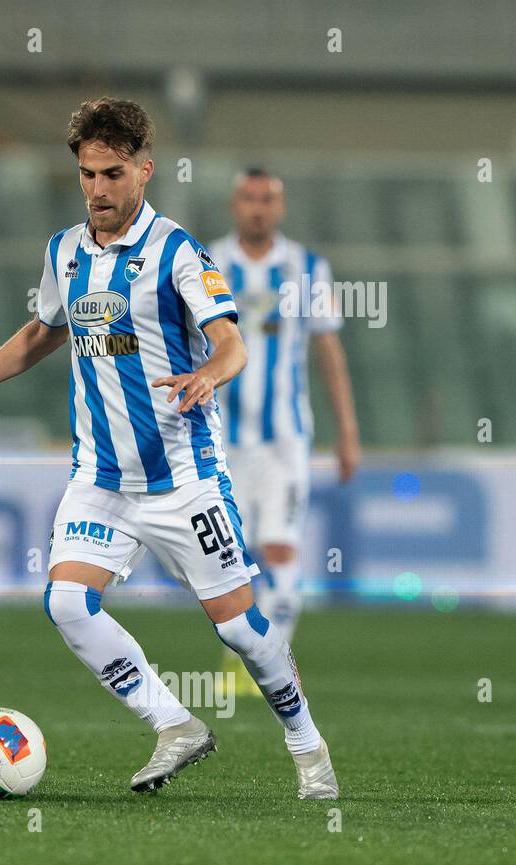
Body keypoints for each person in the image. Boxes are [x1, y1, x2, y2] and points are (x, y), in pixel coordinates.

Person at [0, 98, 338, 799]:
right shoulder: (64, 251)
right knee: (68, 601)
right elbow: (40, 333)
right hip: (101, 477)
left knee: (245, 636)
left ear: (144, 170)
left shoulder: (177, 251)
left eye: (112, 174)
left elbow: (232, 343)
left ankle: (305, 740)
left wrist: (207, 374)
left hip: (183, 479)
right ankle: (174, 724)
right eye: (86, 175)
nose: (98, 190)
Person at [208, 170, 360, 687]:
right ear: (235, 204)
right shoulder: (206, 262)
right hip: (217, 438)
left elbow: (329, 353)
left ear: (281, 206)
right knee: (232, 556)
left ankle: (268, 667)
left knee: (280, 546)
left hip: (285, 438)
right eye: (249, 198)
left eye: (267, 199)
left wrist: (347, 432)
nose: (257, 208)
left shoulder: (308, 269)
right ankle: (244, 657)